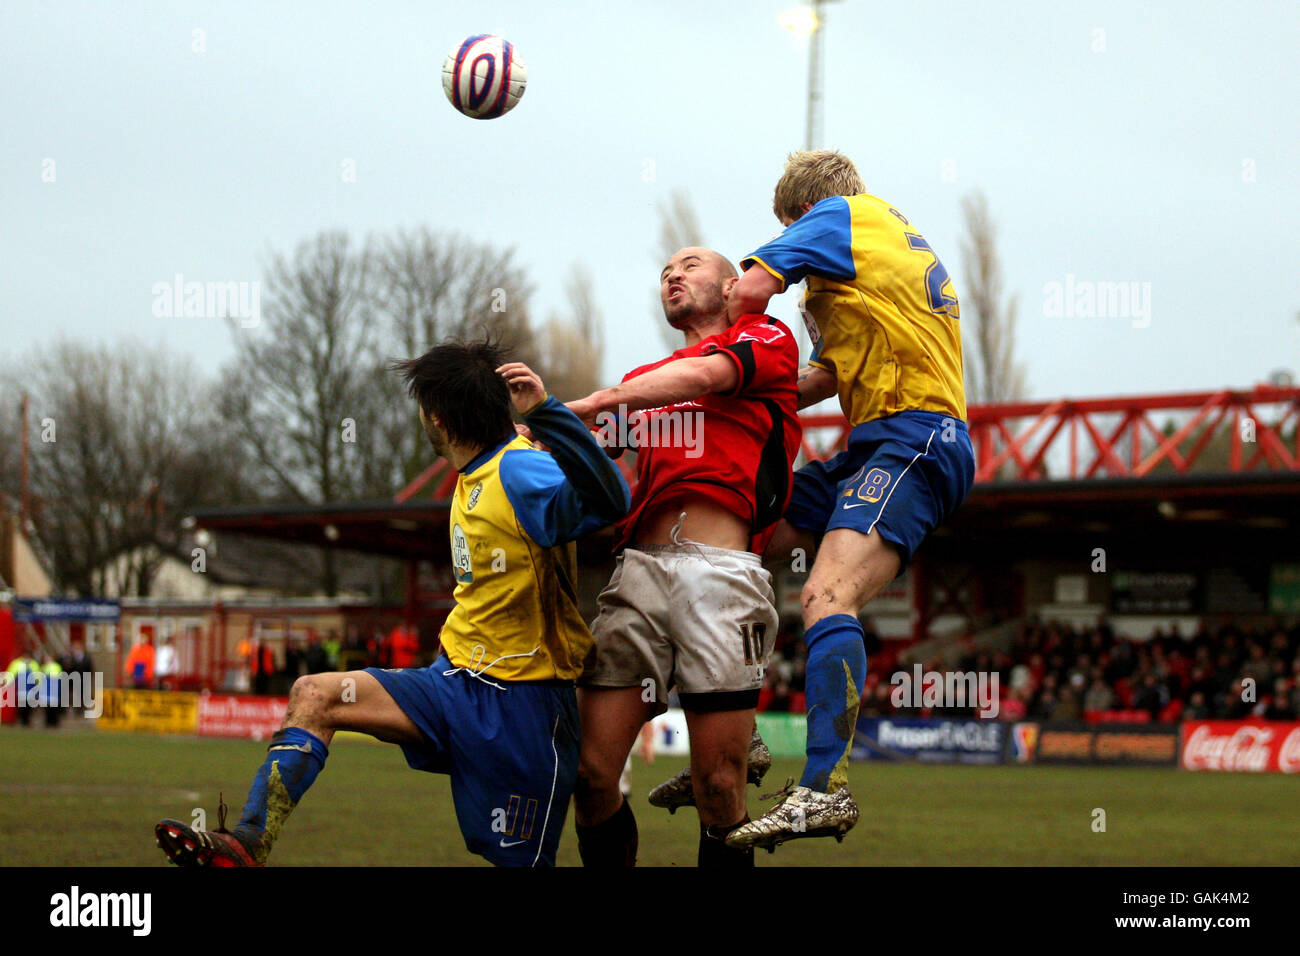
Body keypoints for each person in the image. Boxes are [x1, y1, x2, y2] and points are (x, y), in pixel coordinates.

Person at [154, 341, 630, 867]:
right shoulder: (484, 468)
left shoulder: (519, 471)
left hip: (522, 706)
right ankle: (245, 846)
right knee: (315, 694)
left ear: (438, 417)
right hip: (453, 684)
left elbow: (610, 502)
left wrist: (548, 414)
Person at [718, 150, 976, 852]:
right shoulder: (886, 245)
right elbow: (828, 373)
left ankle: (824, 787)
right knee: (741, 537)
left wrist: (707, 359)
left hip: (916, 437)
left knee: (827, 595)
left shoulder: (842, 217)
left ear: (800, 212)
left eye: (789, 225)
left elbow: (747, 290)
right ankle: (736, 732)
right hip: (877, 442)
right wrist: (743, 390)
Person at [565, 247, 801, 867]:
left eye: (689, 264)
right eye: (665, 269)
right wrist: (537, 439)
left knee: (719, 787)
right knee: (589, 778)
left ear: (731, 285)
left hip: (722, 578)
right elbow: (599, 467)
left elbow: (703, 377)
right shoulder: (644, 377)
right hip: (637, 574)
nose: (672, 274)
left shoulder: (767, 338)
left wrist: (597, 402)